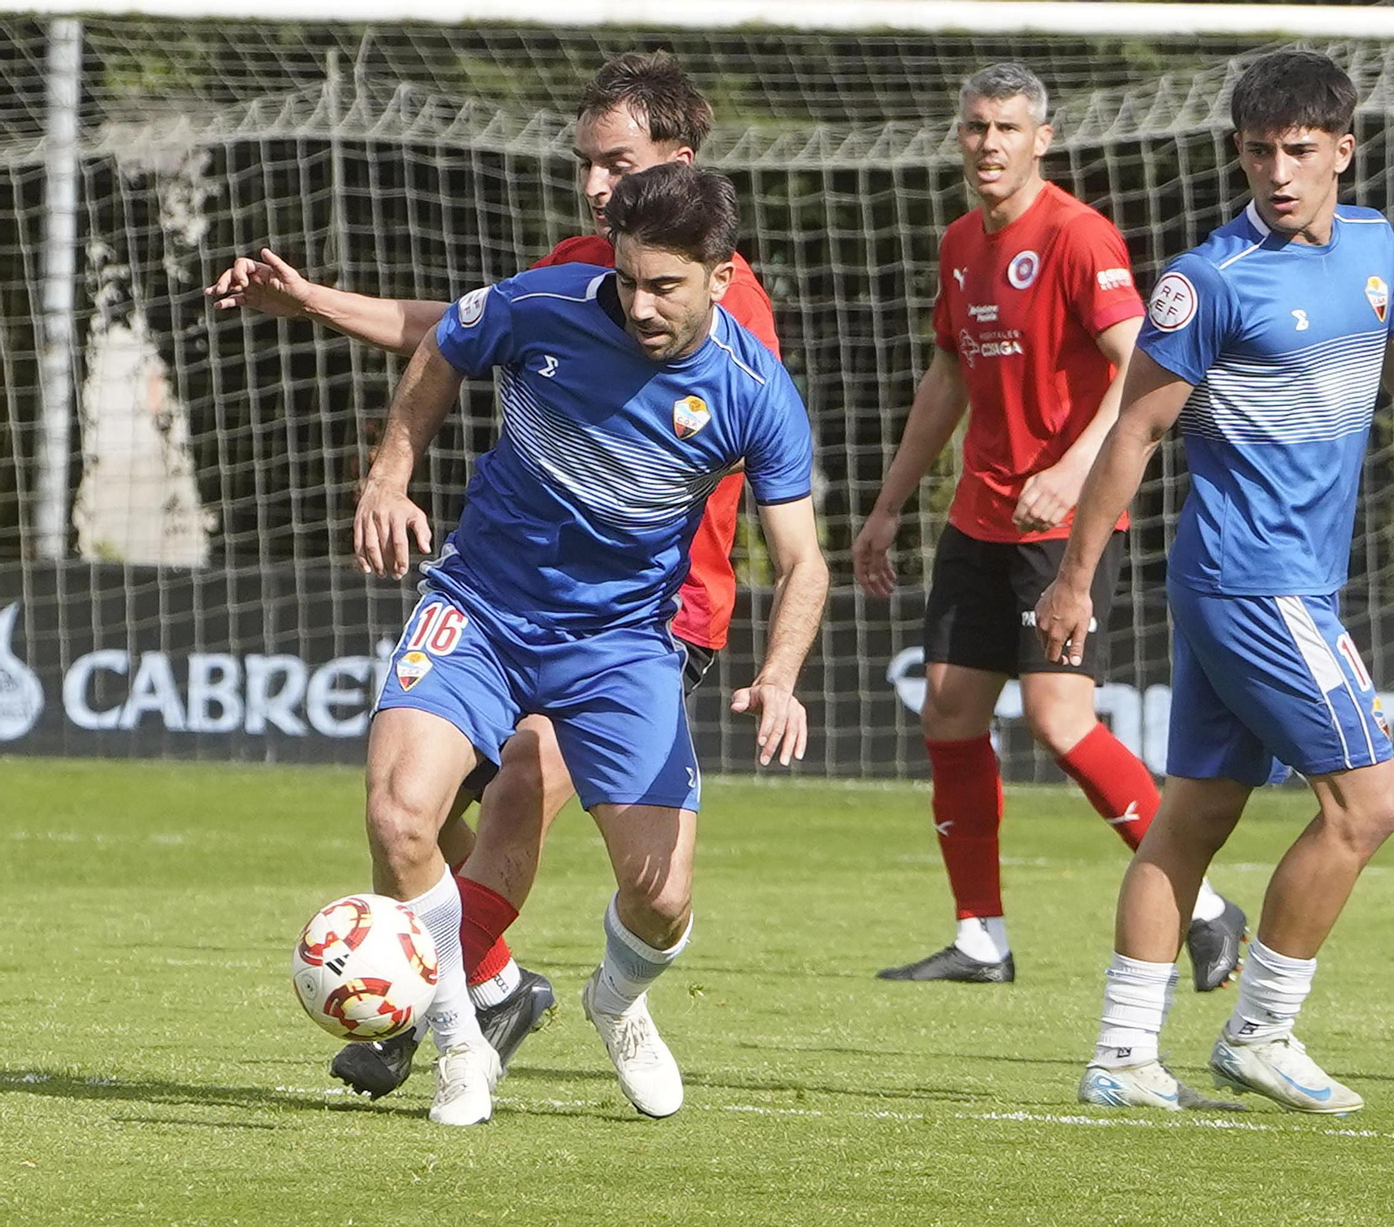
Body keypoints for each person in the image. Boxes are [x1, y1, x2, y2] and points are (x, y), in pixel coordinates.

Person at [206, 52, 782, 1100]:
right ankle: (486, 989)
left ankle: (446, 1004)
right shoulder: (587, 267)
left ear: (679, 161)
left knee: (523, 784)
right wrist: (316, 302)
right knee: (409, 811)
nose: (595, 186)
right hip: (505, 597)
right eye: (584, 164)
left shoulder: (727, 317)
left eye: (617, 164)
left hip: (647, 620)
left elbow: (778, 507)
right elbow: (464, 326)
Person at [1034, 50, 1394, 1113]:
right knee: (1368, 804)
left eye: (1299, 151)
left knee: (1193, 816)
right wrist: (1072, 579)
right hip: (1249, 582)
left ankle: (1122, 1056)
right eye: (1257, 152)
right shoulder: (1209, 282)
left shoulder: (1371, 245)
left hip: (1282, 584)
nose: (1277, 173)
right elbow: (1133, 434)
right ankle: (1261, 1032)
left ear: (1343, 151)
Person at [355, 162, 827, 1125]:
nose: (639, 305)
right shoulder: (544, 305)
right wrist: (389, 477)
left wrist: (780, 675)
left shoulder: (754, 391)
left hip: (619, 644)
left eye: (666, 286)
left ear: (721, 276)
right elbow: (444, 344)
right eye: (628, 279)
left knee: (662, 896)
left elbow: (802, 561)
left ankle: (615, 1001)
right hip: (481, 606)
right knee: (401, 820)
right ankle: (460, 1043)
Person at [851, 62, 1246, 988]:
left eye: (1007, 128)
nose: (989, 144)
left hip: (1064, 523)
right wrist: (888, 504)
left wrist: (1071, 472)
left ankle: (1206, 905)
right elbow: (948, 376)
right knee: (949, 708)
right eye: (976, 127)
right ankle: (980, 937)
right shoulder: (961, 242)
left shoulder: (1076, 234)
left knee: (1057, 717)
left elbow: (1138, 362)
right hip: (980, 514)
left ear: (1042, 139)